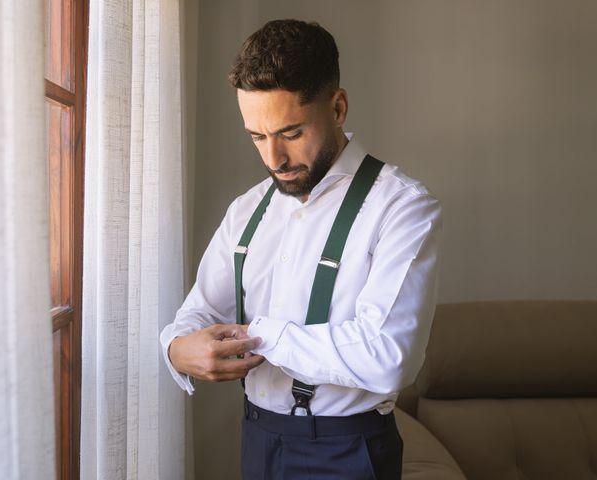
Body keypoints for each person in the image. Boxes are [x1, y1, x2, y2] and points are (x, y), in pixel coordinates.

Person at [161, 19, 442, 479]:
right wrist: (175, 348)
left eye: (290, 133)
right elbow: (200, 312)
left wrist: (261, 335)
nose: (273, 159)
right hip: (256, 438)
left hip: (347, 449)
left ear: (338, 106)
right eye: (257, 136)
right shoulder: (246, 210)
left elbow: (387, 358)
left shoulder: (402, 207)